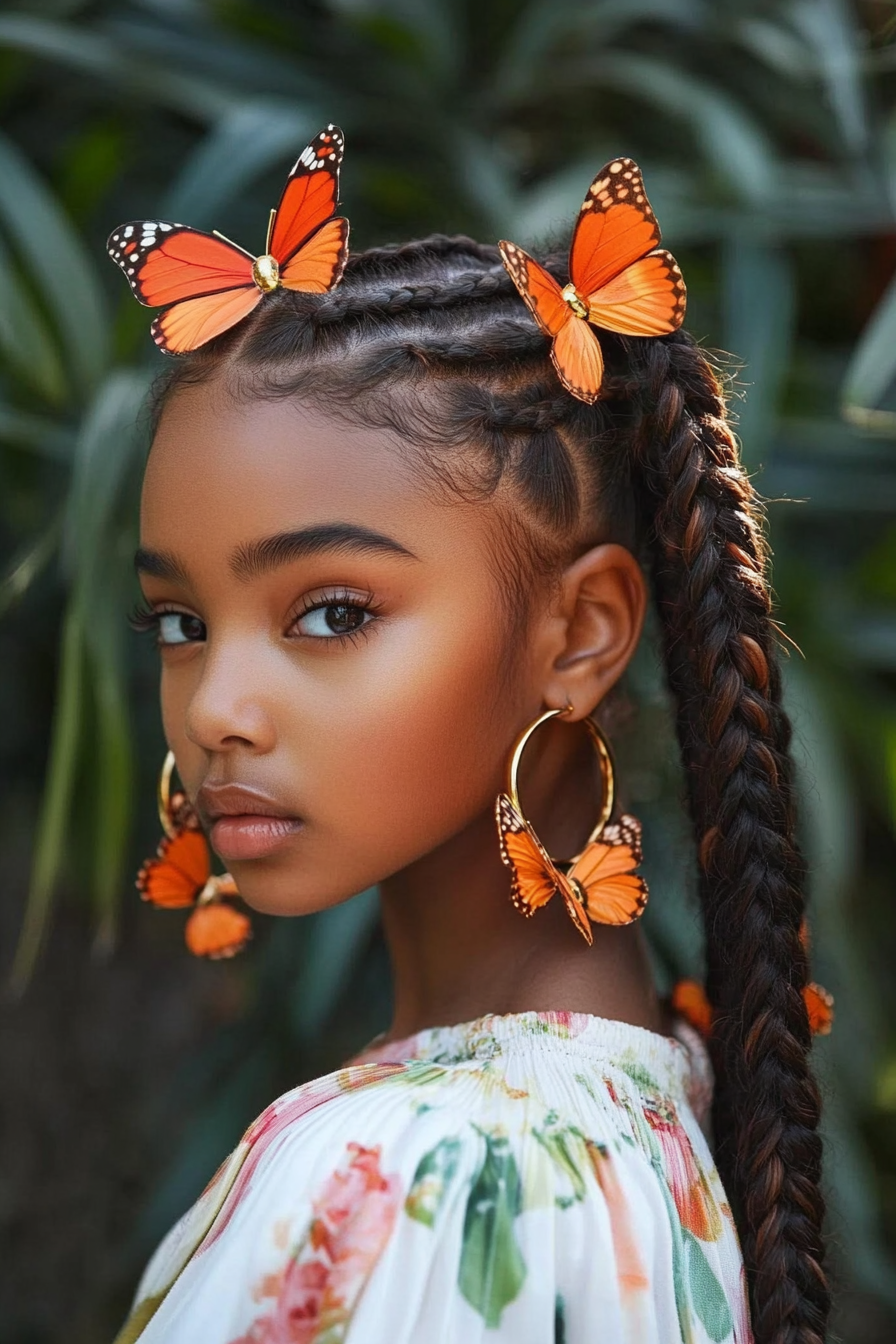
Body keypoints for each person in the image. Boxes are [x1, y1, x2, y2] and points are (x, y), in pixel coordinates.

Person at [109, 129, 829, 1344]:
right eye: (180, 620)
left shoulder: (397, 1178)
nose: (216, 708)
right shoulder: (658, 1101)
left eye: (330, 613)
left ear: (580, 634)